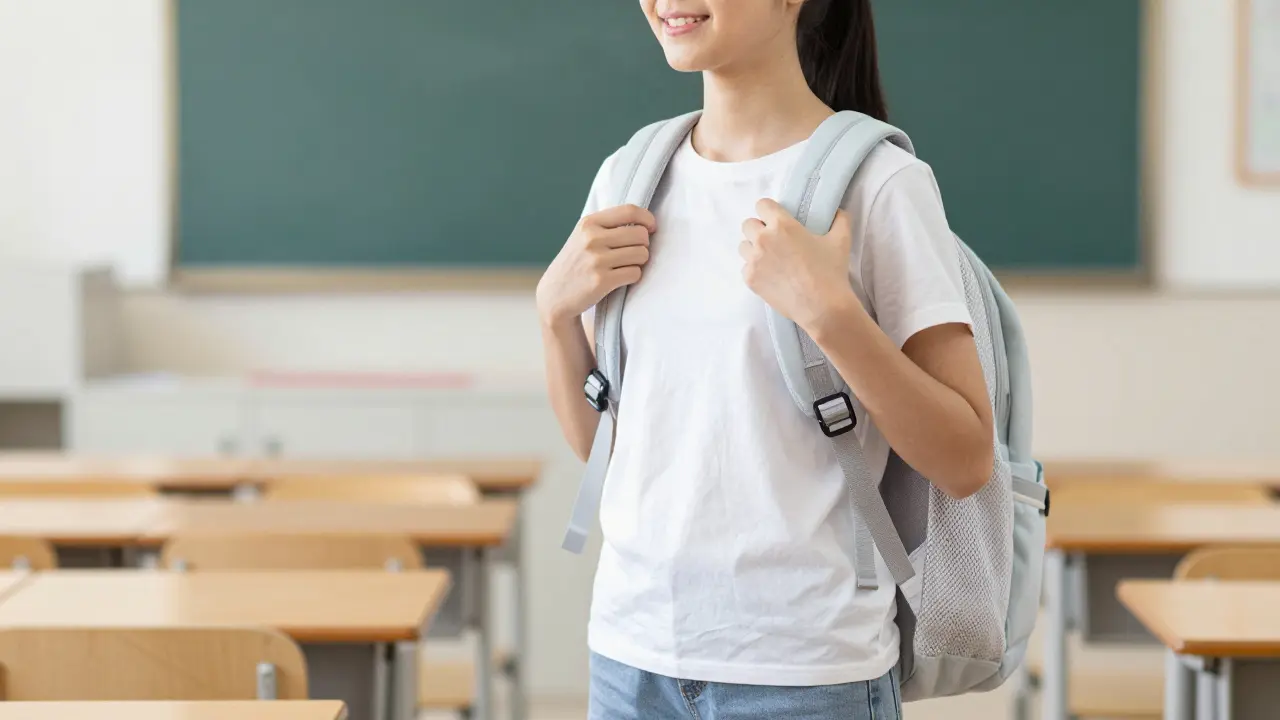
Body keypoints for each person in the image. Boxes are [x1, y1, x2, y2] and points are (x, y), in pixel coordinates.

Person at [536, 1, 995, 717]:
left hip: (809, 672)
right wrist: (553, 314)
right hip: (630, 660)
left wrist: (831, 313)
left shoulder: (881, 186)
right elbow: (611, 452)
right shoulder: (629, 178)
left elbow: (966, 460)